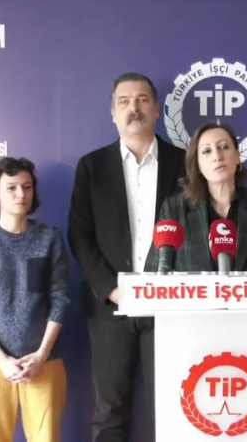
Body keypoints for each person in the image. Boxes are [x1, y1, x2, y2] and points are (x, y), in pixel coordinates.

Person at [67, 72, 185, 441]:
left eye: (142, 100)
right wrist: (111, 289)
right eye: (124, 101)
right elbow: (80, 235)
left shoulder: (184, 163)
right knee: (110, 411)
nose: (134, 108)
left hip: (170, 305)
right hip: (110, 307)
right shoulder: (92, 166)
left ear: (157, 110)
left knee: (170, 407)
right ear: (113, 113)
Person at [0, 157, 69, 442]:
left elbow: (60, 299)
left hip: (44, 362)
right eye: (12, 187)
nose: (21, 194)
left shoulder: (49, 238)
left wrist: (41, 354)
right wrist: (2, 359)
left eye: (27, 187)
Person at [145, 122, 247, 273]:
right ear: (197, 165)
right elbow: (152, 274)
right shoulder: (175, 209)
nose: (217, 157)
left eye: (223, 147)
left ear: (237, 157)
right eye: (206, 151)